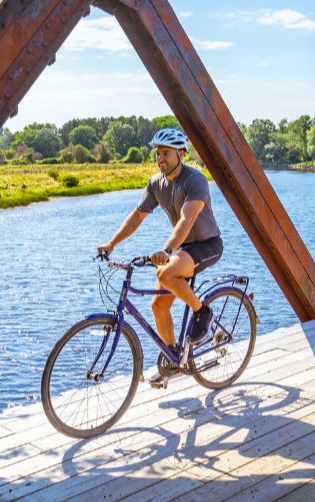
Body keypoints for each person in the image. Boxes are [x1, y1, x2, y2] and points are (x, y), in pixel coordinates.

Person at [96, 128, 224, 352]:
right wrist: (111, 243)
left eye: (166, 153)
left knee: (165, 273)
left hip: (207, 244)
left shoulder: (196, 181)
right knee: (157, 305)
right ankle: (173, 355)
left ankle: (202, 311)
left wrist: (167, 250)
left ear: (181, 153)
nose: (160, 158)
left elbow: (187, 219)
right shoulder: (156, 183)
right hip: (182, 247)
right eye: (157, 153)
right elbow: (137, 216)